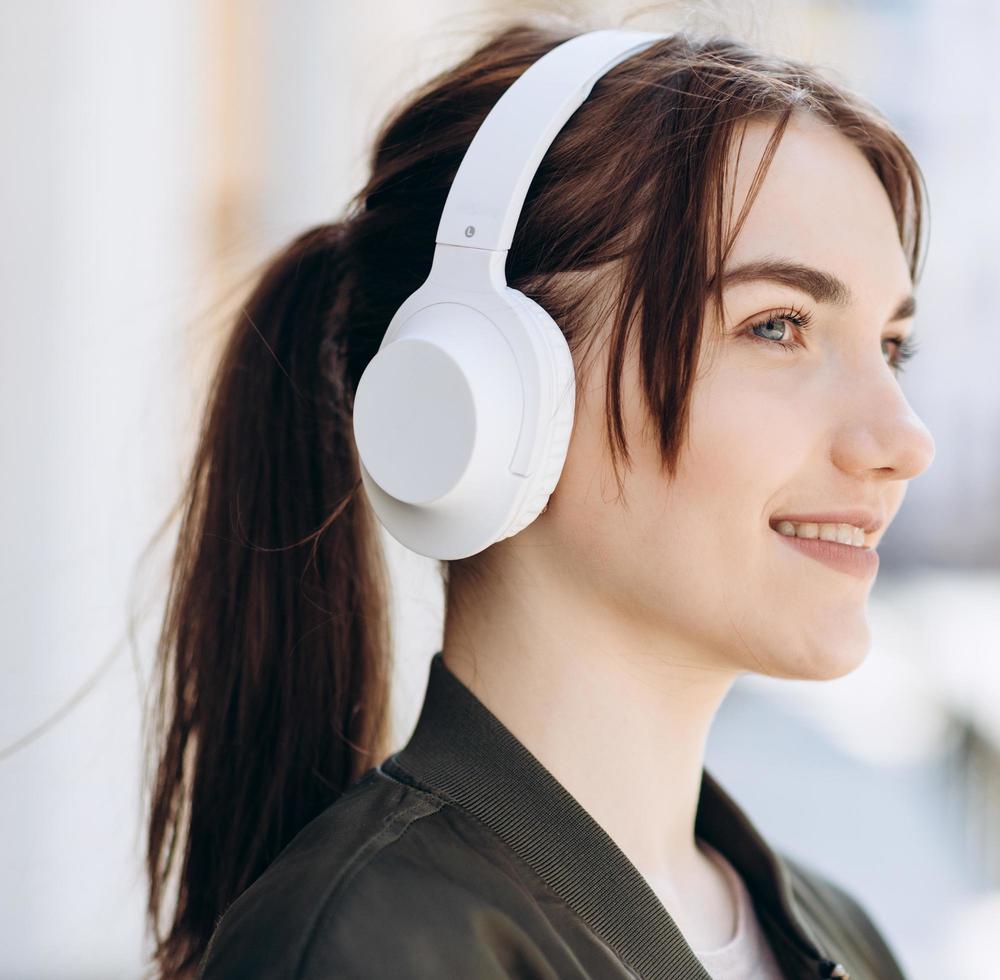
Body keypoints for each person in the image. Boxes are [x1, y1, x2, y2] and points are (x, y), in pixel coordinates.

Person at [143, 15, 934, 980]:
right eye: (777, 326)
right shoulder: (377, 949)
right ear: (493, 389)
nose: (902, 441)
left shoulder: (842, 938)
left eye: (891, 348)